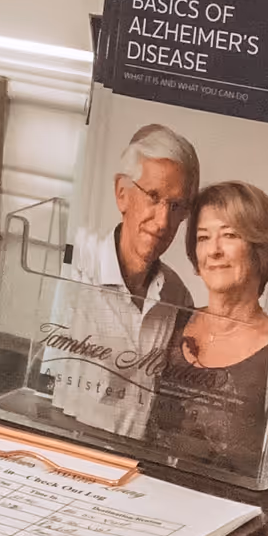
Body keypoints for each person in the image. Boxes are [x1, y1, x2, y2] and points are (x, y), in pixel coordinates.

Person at [49, 123, 199, 438]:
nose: (163, 222)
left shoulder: (178, 296)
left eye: (176, 206)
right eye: (153, 197)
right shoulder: (72, 274)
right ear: (122, 194)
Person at [151, 182, 268, 468]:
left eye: (229, 235)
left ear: (258, 247)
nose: (213, 251)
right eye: (202, 237)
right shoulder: (173, 321)